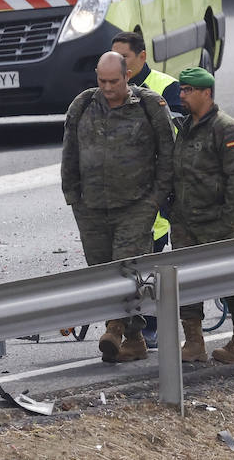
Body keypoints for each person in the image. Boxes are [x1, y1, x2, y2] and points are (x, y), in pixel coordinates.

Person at [61, 51, 174, 363]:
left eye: (114, 81)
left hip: (136, 205)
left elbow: (168, 153)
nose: (108, 87)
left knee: (127, 268)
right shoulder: (83, 104)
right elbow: (70, 152)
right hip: (91, 207)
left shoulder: (150, 106)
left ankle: (114, 327)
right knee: (102, 273)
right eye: (102, 80)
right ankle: (135, 339)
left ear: (127, 77)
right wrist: (73, 197)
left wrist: (156, 197)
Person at [170, 67, 234, 364]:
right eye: (181, 90)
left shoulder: (226, 129)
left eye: (188, 90)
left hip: (217, 222)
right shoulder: (184, 127)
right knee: (186, 282)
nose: (182, 95)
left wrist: (228, 222)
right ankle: (193, 342)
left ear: (206, 93)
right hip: (184, 222)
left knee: (230, 280)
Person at [111, 30, 180, 347]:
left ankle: (150, 325)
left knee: (149, 262)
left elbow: (178, 133)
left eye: (123, 57)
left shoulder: (166, 87)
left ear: (142, 57)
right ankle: (127, 330)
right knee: (122, 265)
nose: (117, 63)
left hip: (156, 195)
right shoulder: (108, 89)